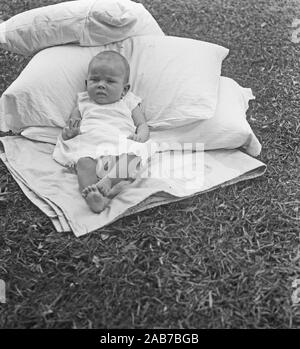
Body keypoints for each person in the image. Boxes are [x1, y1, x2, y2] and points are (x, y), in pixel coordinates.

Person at [53, 50, 156, 213]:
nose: (101, 84)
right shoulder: (83, 102)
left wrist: (140, 137)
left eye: (110, 81)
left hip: (120, 146)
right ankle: (95, 195)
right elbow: (72, 126)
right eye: (95, 79)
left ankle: (108, 181)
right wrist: (70, 133)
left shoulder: (128, 102)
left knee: (134, 155)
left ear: (124, 89)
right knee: (83, 163)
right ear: (87, 84)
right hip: (91, 144)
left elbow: (142, 124)